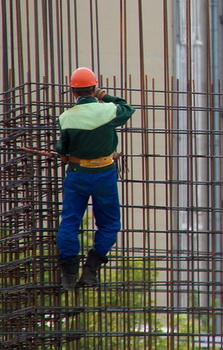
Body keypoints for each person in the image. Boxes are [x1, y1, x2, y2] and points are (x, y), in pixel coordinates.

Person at [56, 67, 136, 291]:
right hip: (104, 173)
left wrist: (63, 152)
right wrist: (104, 96)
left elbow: (63, 147)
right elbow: (128, 108)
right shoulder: (108, 111)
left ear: (73, 91)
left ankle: (68, 275)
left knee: (70, 222)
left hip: (77, 173)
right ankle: (91, 269)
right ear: (94, 87)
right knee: (110, 224)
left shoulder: (66, 118)